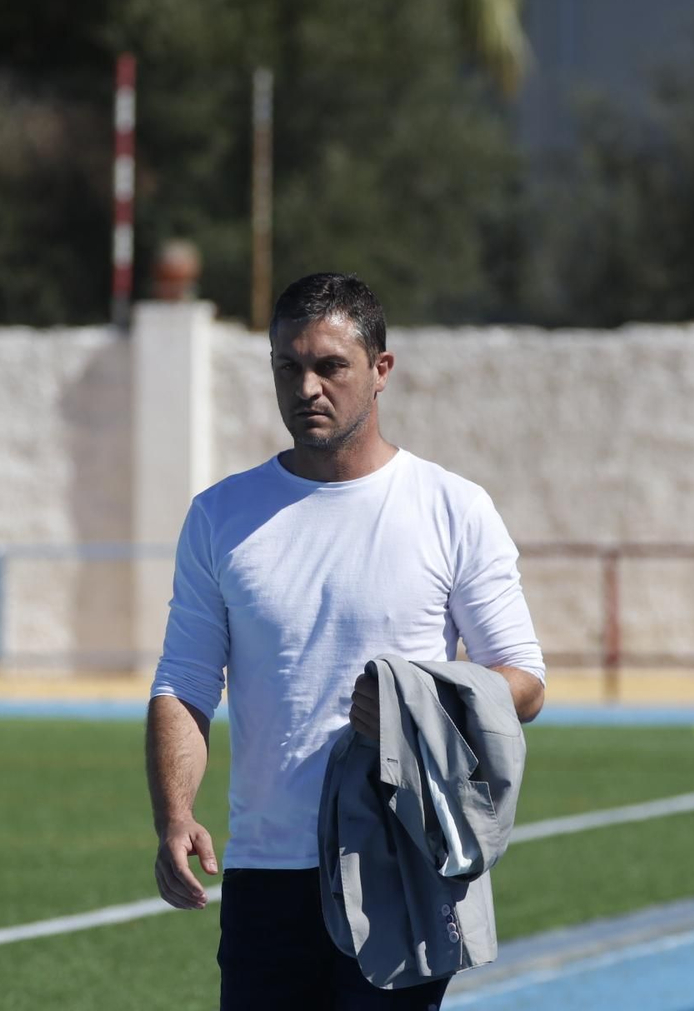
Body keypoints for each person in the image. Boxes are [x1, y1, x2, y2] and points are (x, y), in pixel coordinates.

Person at [145, 272, 547, 1010]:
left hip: (399, 860)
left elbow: (522, 681)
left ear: (380, 370)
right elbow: (184, 684)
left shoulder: (451, 507)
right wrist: (174, 815)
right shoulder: (220, 516)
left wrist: (414, 702)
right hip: (266, 871)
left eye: (331, 365)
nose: (308, 387)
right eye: (288, 366)